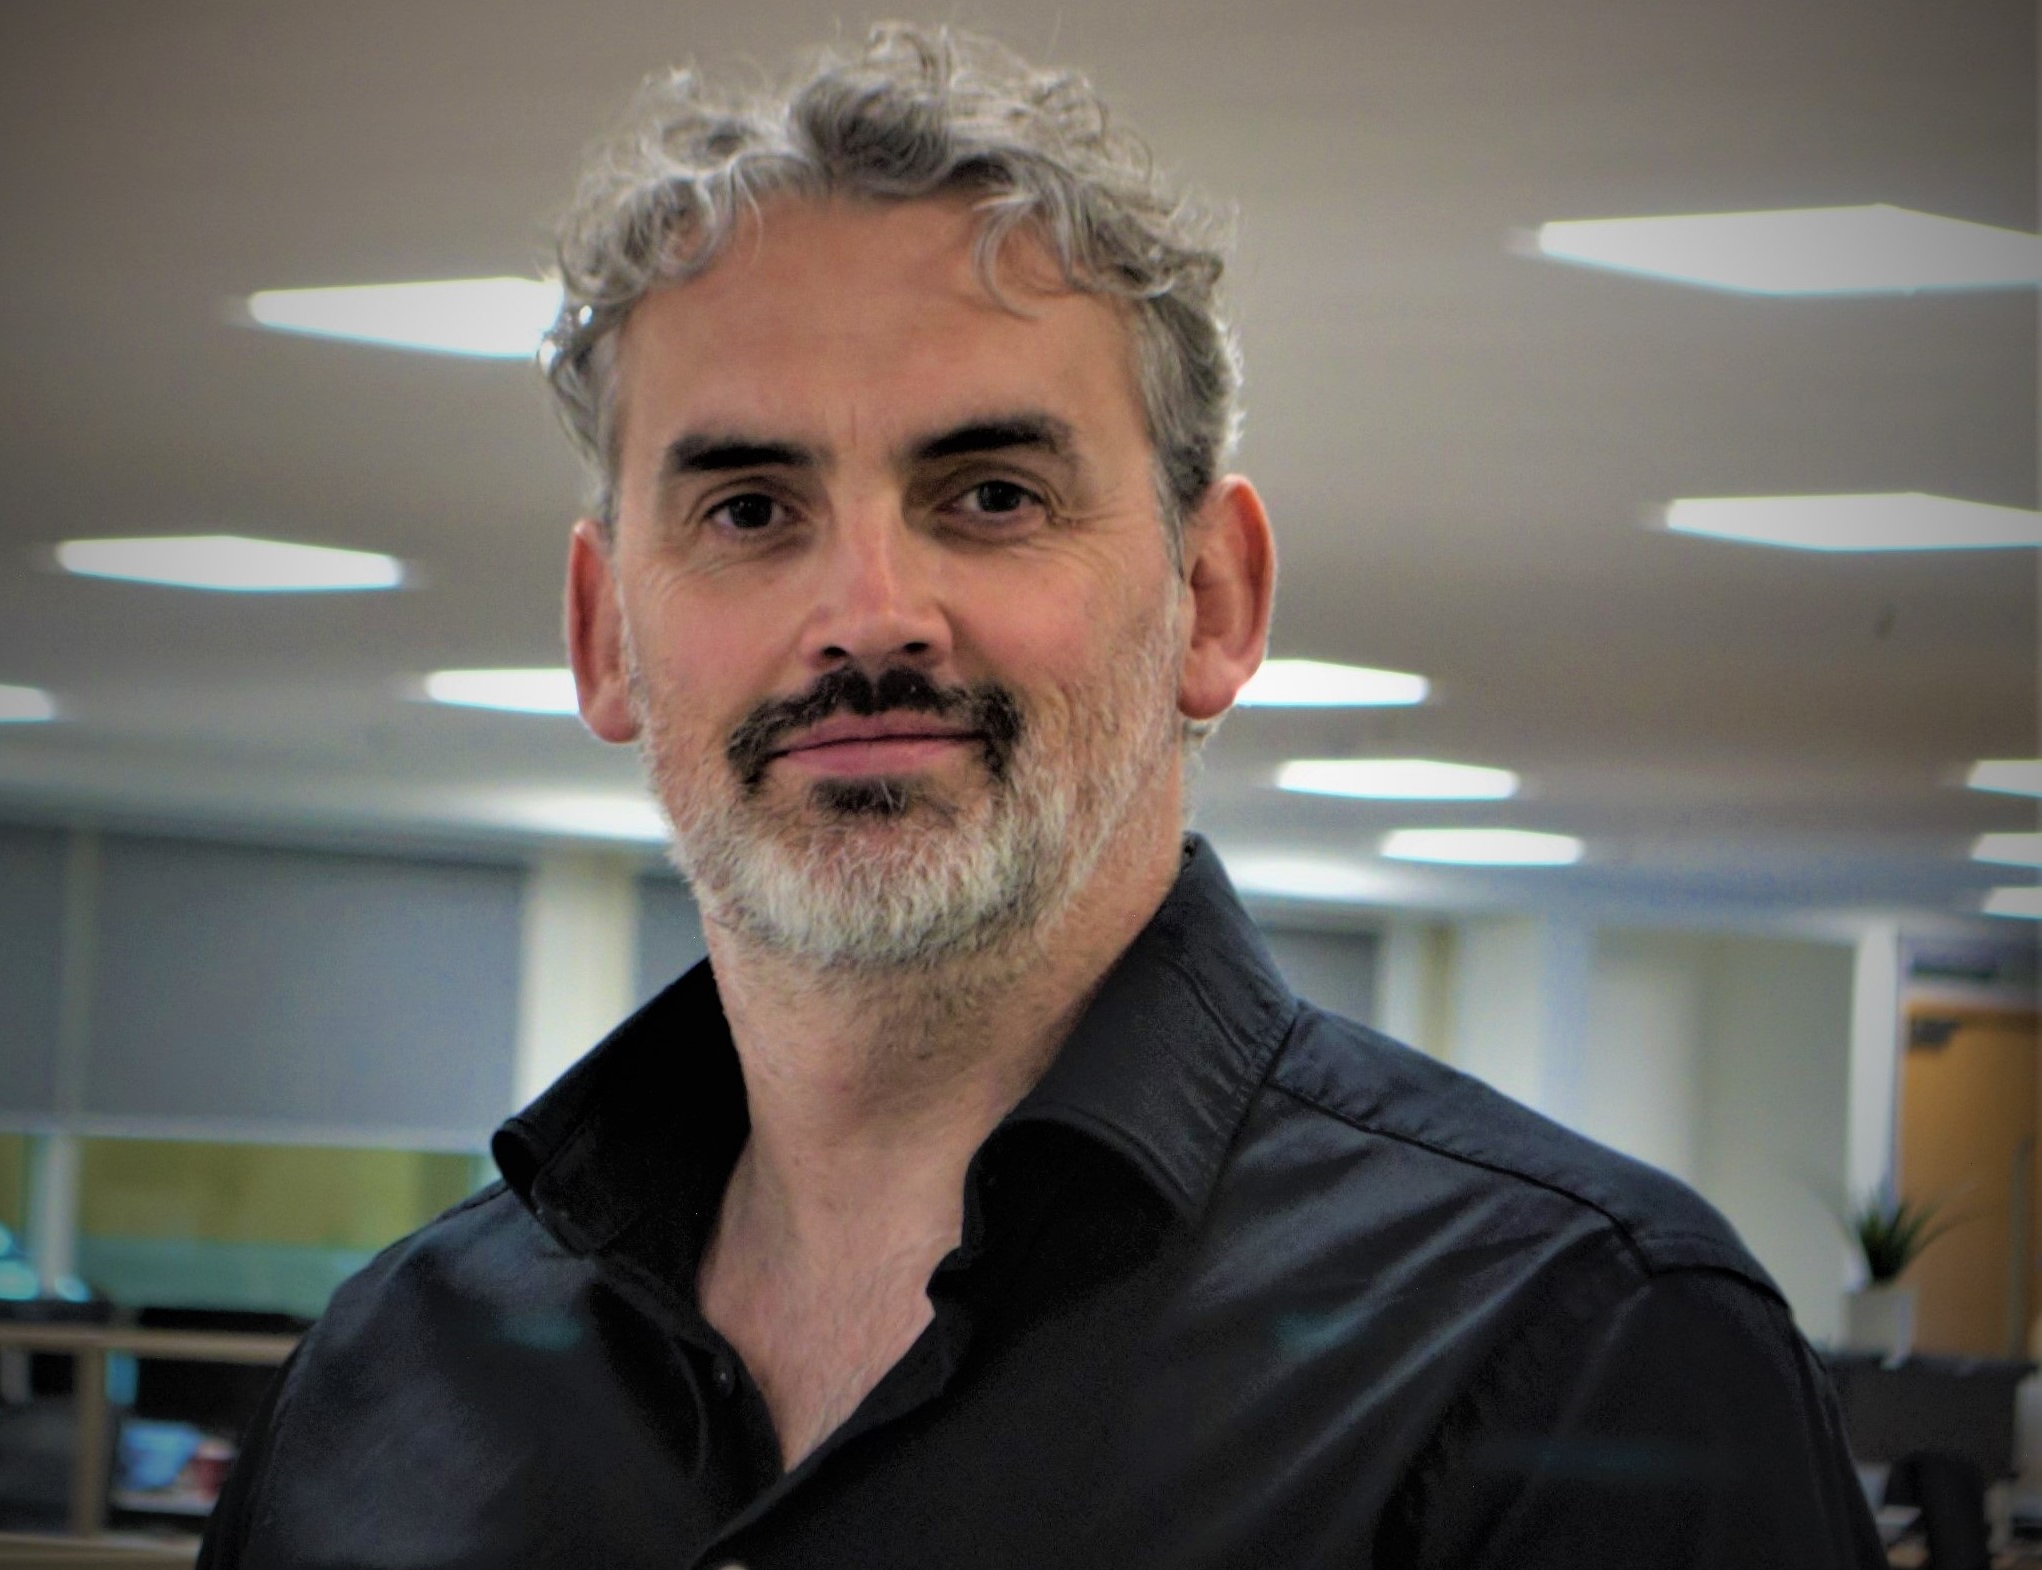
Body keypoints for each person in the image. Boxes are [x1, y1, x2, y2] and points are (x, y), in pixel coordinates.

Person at [199, 26, 1883, 1568]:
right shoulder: (383, 1378)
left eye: (989, 492)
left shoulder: (1579, 1354)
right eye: (747, 510)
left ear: (1211, 600)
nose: (866, 610)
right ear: (603, 636)